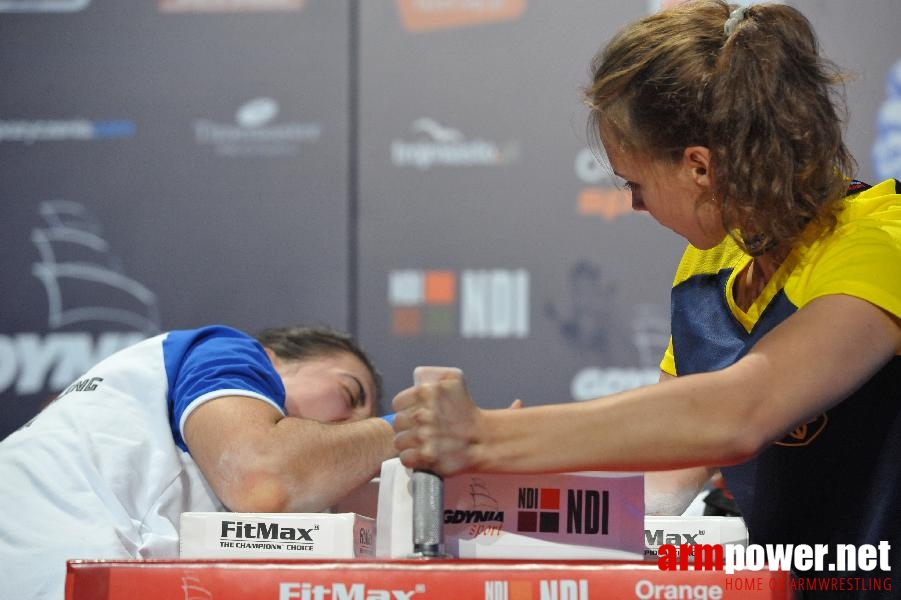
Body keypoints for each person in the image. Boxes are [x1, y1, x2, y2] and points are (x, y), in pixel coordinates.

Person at [392, 1, 901, 596]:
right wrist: (484, 505)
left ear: (699, 168)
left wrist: (483, 437)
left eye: (635, 183)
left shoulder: (882, 243)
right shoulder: (715, 256)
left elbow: (738, 414)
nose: (633, 205)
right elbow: (665, 484)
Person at [0, 324, 396, 600]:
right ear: (273, 360)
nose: (353, 427)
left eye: (365, 422)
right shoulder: (226, 349)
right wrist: (407, 429)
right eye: (350, 394)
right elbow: (261, 476)